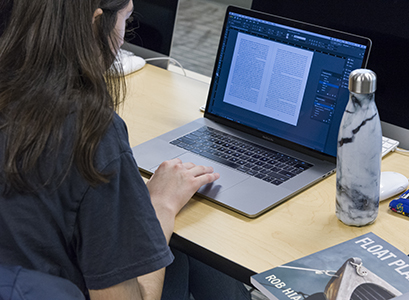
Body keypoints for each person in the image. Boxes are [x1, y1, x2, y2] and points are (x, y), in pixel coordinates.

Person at [0, 0, 251, 299]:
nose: (123, 37)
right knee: (193, 254)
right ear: (95, 24)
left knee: (182, 260)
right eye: (126, 21)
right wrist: (161, 204)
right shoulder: (89, 132)